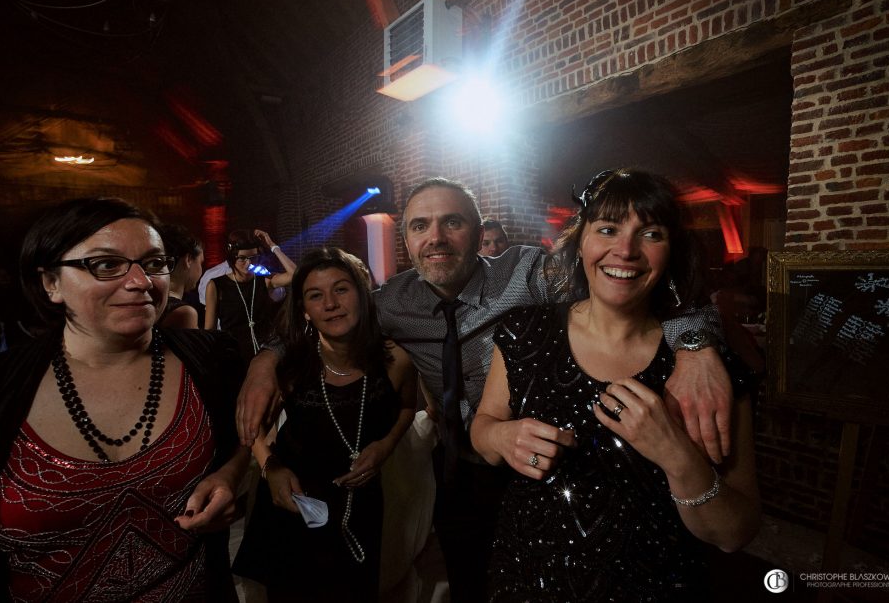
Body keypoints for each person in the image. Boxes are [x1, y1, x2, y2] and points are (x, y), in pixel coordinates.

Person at [237, 177, 733, 602]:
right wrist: (267, 358)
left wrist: (695, 345)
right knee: (468, 578)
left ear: (478, 231)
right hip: (456, 468)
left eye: (452, 222)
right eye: (419, 226)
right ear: (406, 243)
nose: (437, 238)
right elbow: (320, 317)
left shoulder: (528, 274)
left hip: (544, 466)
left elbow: (633, 275)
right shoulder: (390, 303)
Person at [470, 168, 761, 601]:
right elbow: (483, 427)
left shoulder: (705, 369)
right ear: (581, 241)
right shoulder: (522, 332)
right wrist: (500, 434)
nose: (625, 250)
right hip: (526, 580)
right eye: (607, 229)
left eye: (651, 234)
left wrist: (676, 455)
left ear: (672, 252)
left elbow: (734, 533)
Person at [0, 197, 250, 601]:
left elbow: (245, 439)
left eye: (155, 263)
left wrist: (232, 475)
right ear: (50, 283)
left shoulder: (211, 361)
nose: (142, 282)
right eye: (106, 265)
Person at [232, 247, 415, 601]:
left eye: (341, 289)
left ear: (362, 295)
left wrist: (386, 445)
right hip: (295, 499)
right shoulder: (290, 366)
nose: (330, 303)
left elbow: (407, 407)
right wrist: (271, 468)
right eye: (316, 295)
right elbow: (255, 431)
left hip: (359, 502)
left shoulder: (396, 360)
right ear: (303, 309)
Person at [204, 229, 297, 360]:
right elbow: (210, 331)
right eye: (242, 258)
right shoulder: (216, 285)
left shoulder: (264, 280)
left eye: (253, 258)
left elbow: (295, 274)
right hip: (232, 356)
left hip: (265, 354)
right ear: (232, 257)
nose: (249, 263)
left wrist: (272, 246)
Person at [158, 222, 205, 328]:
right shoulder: (183, 314)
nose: (201, 270)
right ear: (188, 260)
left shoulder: (153, 303)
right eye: (201, 263)